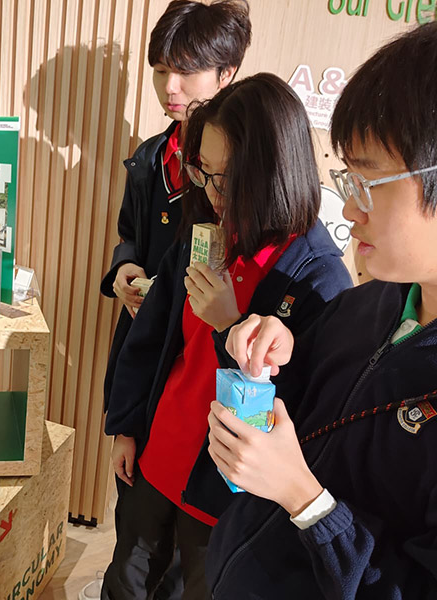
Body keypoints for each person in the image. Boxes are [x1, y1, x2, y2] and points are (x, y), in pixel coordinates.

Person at [203, 22, 437, 599]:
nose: (350, 210)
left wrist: (306, 501)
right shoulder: (370, 301)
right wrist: (274, 353)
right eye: (347, 180)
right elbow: (309, 405)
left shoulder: (324, 270)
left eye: (370, 183)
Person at [102, 73, 353, 600]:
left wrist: (229, 324)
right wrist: (125, 425)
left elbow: (298, 410)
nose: (213, 193)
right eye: (204, 172)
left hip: (224, 494)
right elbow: (150, 338)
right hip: (157, 456)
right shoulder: (205, 233)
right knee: (126, 581)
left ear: (275, 172)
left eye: (228, 178)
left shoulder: (317, 277)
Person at [100, 0, 251, 413]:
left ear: (226, 73)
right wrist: (124, 267)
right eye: (161, 70)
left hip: (201, 347)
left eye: (187, 71)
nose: (170, 87)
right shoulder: (148, 157)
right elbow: (130, 234)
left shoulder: (244, 171)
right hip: (142, 340)